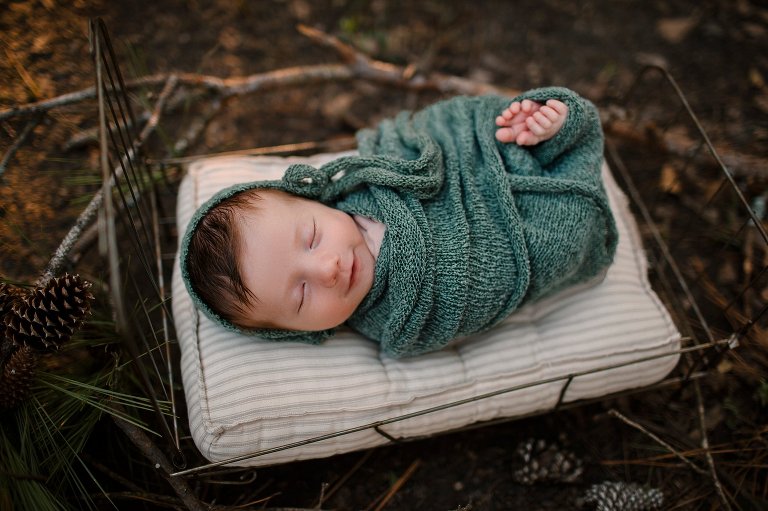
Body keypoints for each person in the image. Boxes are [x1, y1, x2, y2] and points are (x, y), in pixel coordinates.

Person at [181, 88, 618, 358]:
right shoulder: (402, 319)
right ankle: (555, 163)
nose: (326, 269)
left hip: (487, 161)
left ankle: (546, 132)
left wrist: (493, 137)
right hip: (521, 232)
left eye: (312, 237)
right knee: (566, 235)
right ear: (298, 334)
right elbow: (481, 284)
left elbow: (436, 134)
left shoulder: (365, 179)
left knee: (513, 127)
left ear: (314, 198)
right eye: (301, 295)